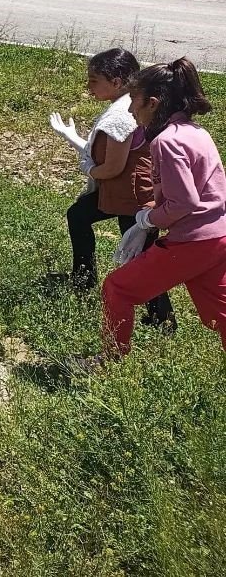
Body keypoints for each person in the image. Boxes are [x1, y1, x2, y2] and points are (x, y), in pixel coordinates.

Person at [75, 58, 226, 371]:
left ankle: (109, 362)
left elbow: (184, 203)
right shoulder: (195, 131)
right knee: (221, 316)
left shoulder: (167, 141)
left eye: (134, 101)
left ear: (153, 103)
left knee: (118, 288)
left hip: (192, 241)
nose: (131, 110)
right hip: (218, 236)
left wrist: (147, 220)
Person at [48, 49, 174, 331]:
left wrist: (88, 169)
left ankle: (163, 320)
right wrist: (75, 140)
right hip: (119, 192)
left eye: (94, 80)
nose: (88, 86)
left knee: (142, 255)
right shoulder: (128, 104)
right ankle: (83, 279)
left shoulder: (121, 115)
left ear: (116, 82)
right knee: (79, 215)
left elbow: (113, 167)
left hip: (132, 196)